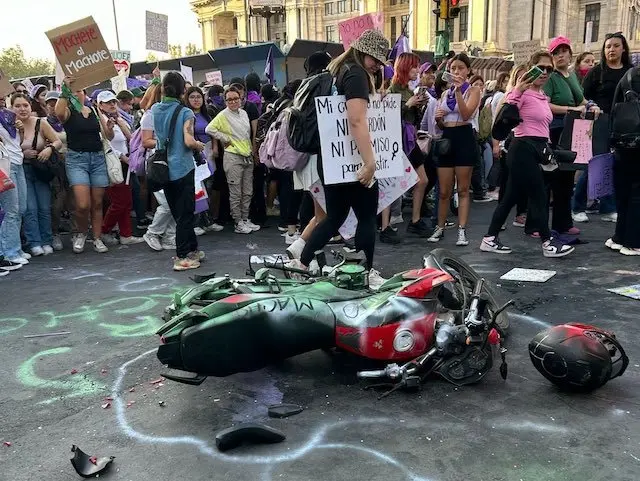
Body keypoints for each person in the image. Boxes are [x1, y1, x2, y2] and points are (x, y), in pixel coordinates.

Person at [292, 29, 389, 289]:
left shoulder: (337, 71)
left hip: (332, 159)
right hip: (353, 159)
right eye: (375, 59)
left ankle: (301, 263)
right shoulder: (356, 73)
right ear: (363, 52)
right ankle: (365, 271)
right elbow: (356, 120)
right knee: (367, 217)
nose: (378, 65)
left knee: (335, 215)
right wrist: (370, 163)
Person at [480, 51, 575, 258]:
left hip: (537, 148)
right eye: (541, 68)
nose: (545, 72)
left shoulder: (542, 96)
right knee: (539, 195)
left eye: (549, 69)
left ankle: (489, 238)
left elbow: (543, 124)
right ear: (532, 68)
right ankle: (547, 242)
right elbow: (506, 112)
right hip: (522, 148)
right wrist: (517, 90)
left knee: (510, 197)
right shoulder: (521, 92)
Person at [544, 36, 600, 237]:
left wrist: (590, 105)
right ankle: (551, 225)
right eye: (556, 53)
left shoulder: (572, 76)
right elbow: (546, 105)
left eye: (563, 51)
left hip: (573, 130)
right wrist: (571, 108)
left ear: (569, 53)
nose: (560, 56)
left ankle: (564, 223)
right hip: (556, 131)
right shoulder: (550, 77)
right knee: (557, 180)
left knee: (568, 179)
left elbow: (581, 99)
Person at [573, 33, 631, 224]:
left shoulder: (632, 71)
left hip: (626, 124)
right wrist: (591, 107)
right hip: (600, 122)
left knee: (617, 165)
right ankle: (577, 205)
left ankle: (609, 206)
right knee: (597, 163)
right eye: (608, 47)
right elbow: (583, 98)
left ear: (623, 49)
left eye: (616, 46)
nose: (611, 50)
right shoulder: (596, 72)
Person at [152, 71, 206, 271]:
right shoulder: (186, 113)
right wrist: (199, 145)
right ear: (183, 90)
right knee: (186, 214)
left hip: (163, 168)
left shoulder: (156, 109)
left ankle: (192, 249)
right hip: (182, 168)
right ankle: (183, 256)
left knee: (178, 213)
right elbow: (188, 141)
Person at [55, 76, 112, 254]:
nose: (76, 94)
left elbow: (108, 136)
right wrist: (65, 89)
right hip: (77, 159)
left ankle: (96, 238)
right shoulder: (68, 113)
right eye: (73, 92)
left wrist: (109, 127)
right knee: (82, 204)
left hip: (97, 159)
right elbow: (58, 112)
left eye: (79, 91)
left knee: (97, 203)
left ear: (84, 94)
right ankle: (80, 233)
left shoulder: (94, 111)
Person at [430, 53, 481, 246]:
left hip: (465, 137)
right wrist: (438, 119)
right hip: (448, 139)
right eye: (453, 68)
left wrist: (459, 91)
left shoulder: (473, 90)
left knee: (463, 188)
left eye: (460, 68)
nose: (456, 71)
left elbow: (467, 114)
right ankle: (440, 227)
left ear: (468, 70)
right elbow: (442, 125)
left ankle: (462, 230)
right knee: (443, 190)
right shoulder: (445, 93)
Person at [13, 92, 63, 256]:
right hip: (21, 170)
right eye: (18, 106)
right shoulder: (8, 124)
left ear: (30, 106)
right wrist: (23, 153)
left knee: (43, 207)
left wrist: (49, 149)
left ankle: (46, 240)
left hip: (41, 169)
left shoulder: (41, 123)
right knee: (30, 208)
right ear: (11, 108)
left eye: (25, 105)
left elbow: (57, 141)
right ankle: (34, 242)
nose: (22, 109)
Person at [206, 87, 257, 234]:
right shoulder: (223, 115)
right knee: (236, 192)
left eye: (236, 98)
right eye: (229, 100)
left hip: (246, 155)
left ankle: (245, 219)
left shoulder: (244, 113)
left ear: (241, 99)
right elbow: (209, 129)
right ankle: (238, 222)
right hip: (233, 156)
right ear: (225, 101)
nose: (233, 102)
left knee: (247, 191)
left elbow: (247, 134)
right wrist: (225, 138)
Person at [96, 90, 143, 246]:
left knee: (126, 201)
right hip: (113, 163)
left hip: (124, 162)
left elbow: (131, 138)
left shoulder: (118, 118)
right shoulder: (100, 120)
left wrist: (121, 123)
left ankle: (125, 234)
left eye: (114, 102)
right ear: (100, 105)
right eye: (108, 102)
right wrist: (123, 157)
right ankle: (104, 230)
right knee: (119, 201)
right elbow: (104, 143)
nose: (112, 105)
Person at [608, 66, 640, 255]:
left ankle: (619, 237)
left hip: (621, 142)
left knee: (624, 192)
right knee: (637, 193)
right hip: (638, 144)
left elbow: (613, 108)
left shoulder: (628, 76)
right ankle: (633, 241)